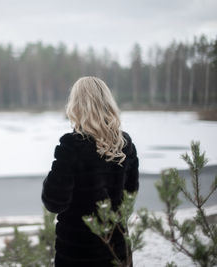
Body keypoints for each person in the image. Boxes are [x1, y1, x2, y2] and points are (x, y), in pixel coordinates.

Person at [41, 76, 139, 267]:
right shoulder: (125, 145)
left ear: (76, 106)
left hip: (78, 254)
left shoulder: (71, 146)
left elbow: (54, 202)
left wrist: (50, 181)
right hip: (117, 251)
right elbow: (129, 197)